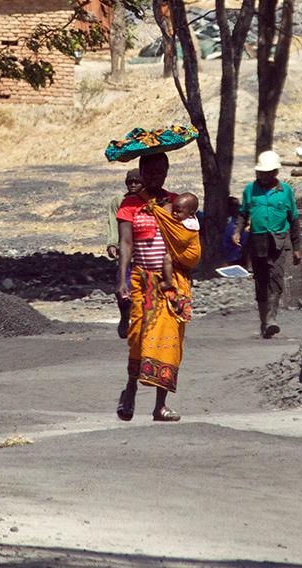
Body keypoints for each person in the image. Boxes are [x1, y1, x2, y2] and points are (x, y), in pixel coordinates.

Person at [117, 153, 199, 422]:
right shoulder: (130, 205)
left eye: (161, 172)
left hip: (169, 284)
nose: (156, 177)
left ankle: (160, 406)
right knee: (138, 337)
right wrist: (122, 281)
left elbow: (186, 237)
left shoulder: (176, 203)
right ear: (141, 172)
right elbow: (126, 244)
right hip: (141, 281)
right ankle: (130, 390)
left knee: (168, 341)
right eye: (150, 172)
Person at [235, 150, 300, 339]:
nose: (262, 176)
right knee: (261, 281)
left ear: (275, 173)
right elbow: (243, 213)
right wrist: (237, 231)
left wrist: (297, 248)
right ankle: (264, 321)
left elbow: (294, 219)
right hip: (257, 241)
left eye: (266, 172)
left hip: (279, 240)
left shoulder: (285, 191)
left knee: (276, 279)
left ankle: (272, 319)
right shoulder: (250, 190)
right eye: (260, 172)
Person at [104, 168, 144, 337]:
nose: (133, 185)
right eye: (130, 182)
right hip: (126, 251)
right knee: (123, 287)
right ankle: (124, 316)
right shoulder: (119, 201)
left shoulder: (149, 201)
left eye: (137, 181)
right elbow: (113, 223)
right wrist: (112, 243)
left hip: (145, 252)